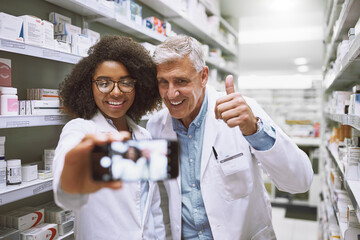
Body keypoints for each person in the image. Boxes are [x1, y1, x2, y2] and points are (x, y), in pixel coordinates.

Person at [146, 35, 314, 240]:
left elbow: (300, 182)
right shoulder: (155, 127)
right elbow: (162, 196)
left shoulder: (243, 112)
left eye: (181, 81)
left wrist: (254, 130)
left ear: (203, 76)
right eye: (163, 82)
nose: (171, 94)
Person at [52, 35, 165, 240]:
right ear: (89, 87)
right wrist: (73, 167)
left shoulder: (144, 136)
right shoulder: (80, 130)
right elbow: (67, 188)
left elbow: (152, 205)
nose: (116, 92)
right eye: (104, 83)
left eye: (126, 83)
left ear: (137, 87)